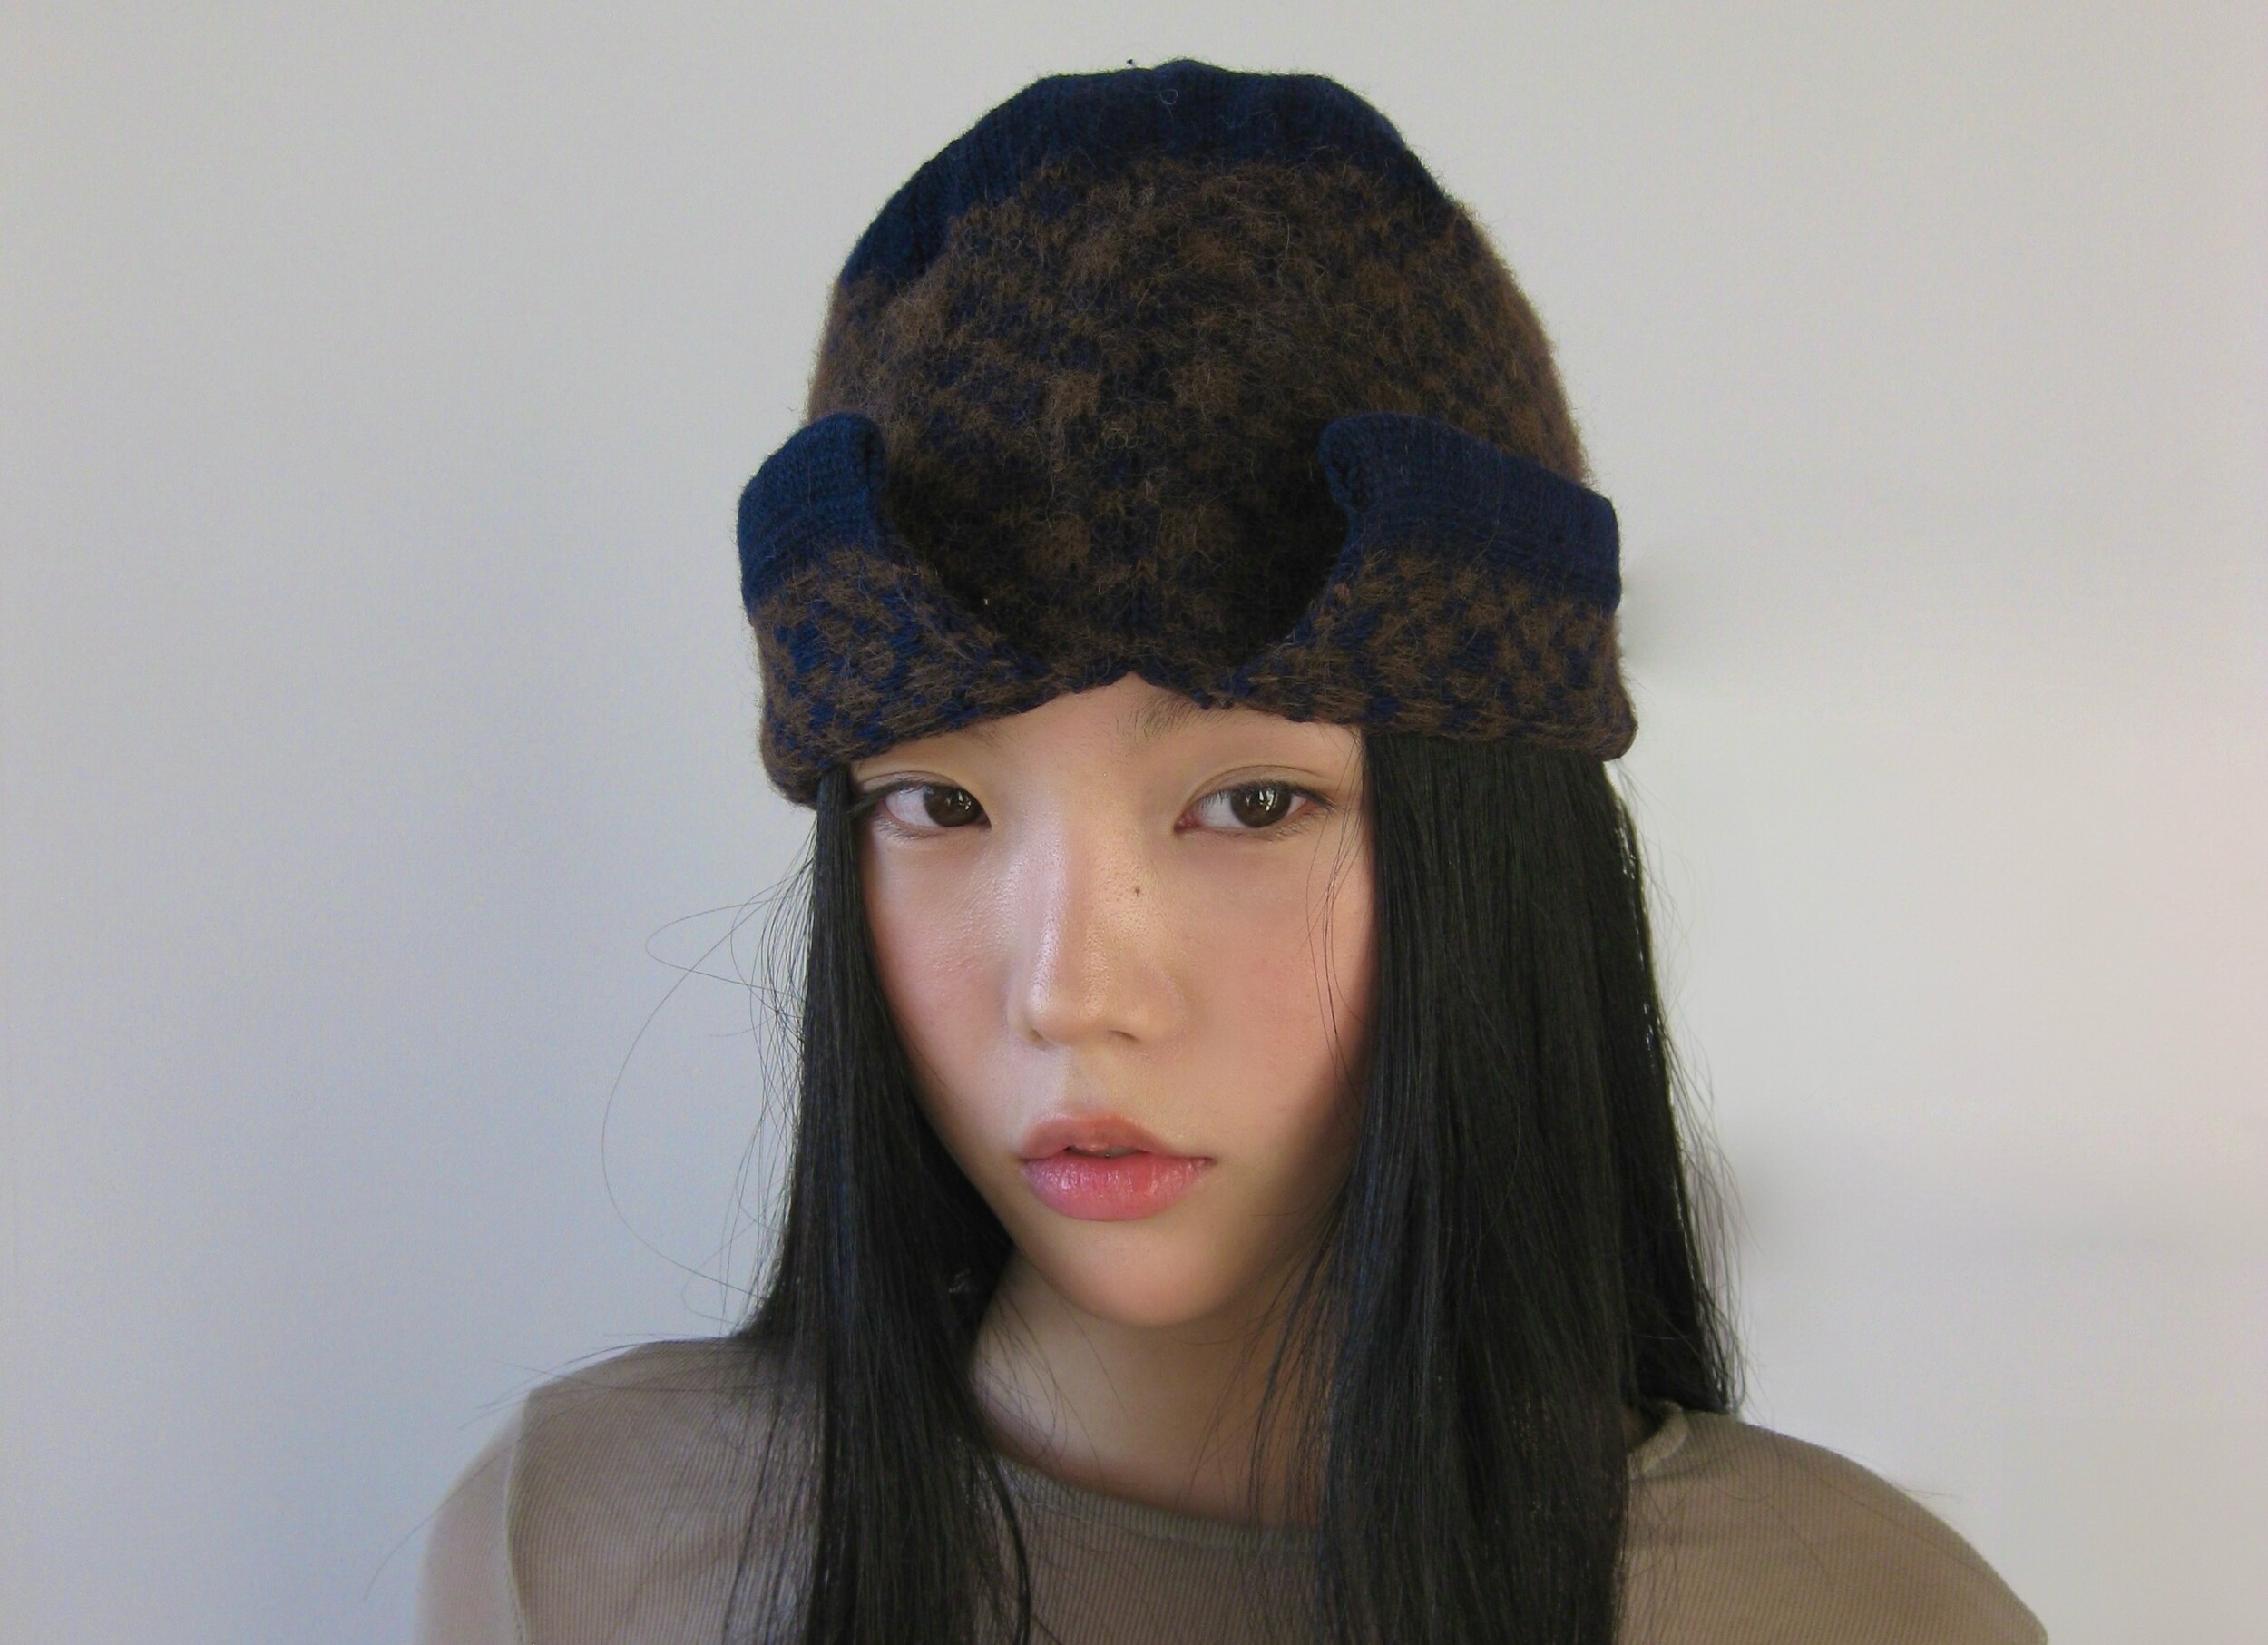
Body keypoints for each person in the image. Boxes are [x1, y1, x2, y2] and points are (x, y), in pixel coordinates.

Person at [415, 59, 2044, 1645]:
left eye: (1254, 804)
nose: (1073, 992)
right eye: (943, 804)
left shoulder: (1862, 1616)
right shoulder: (584, 1551)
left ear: (1495, 854)